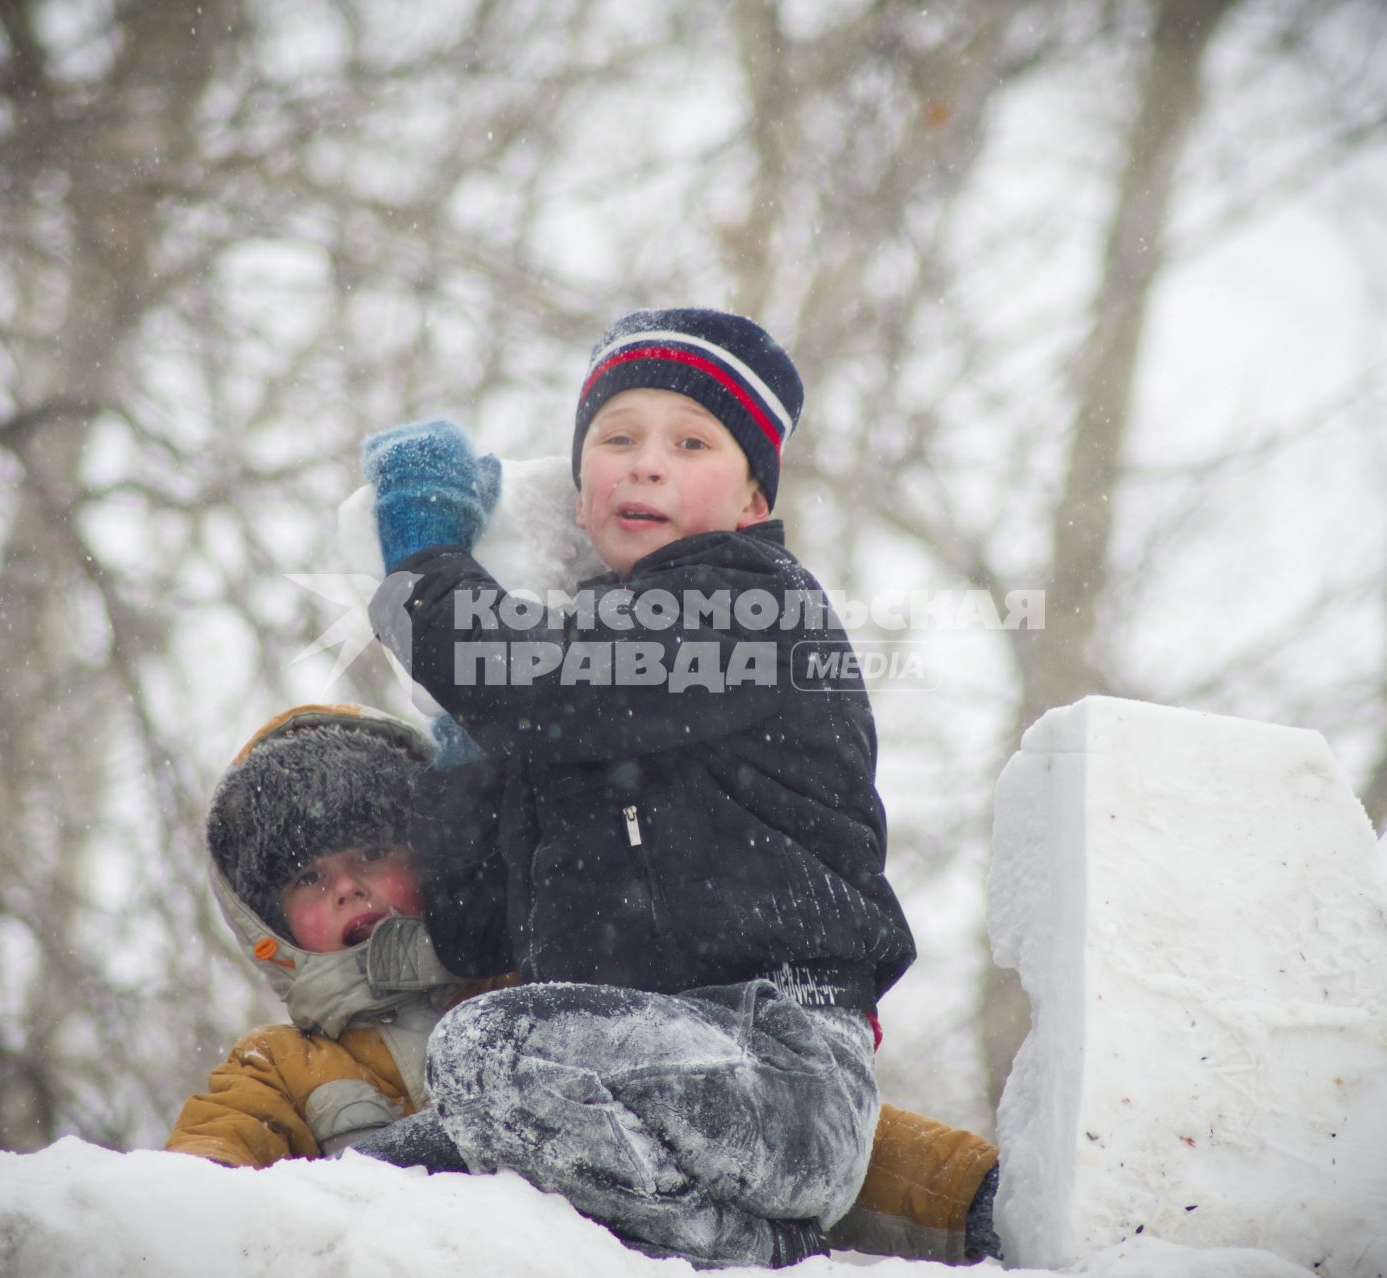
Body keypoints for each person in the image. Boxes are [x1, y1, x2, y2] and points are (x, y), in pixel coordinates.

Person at [358, 307, 919, 1266]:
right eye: (616, 440)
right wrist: (465, 760)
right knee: (373, 1182)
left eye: (691, 442)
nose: (646, 462)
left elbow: (531, 680)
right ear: (580, 497)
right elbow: (477, 929)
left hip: (779, 1062)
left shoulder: (752, 604)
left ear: (752, 501)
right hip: (628, 1074)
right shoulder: (583, 695)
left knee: (486, 1050)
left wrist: (426, 562)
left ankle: (747, 1254)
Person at [165, 703, 1001, 1264]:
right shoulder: (281, 1068)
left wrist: (969, 1195)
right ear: (267, 922)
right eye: (310, 879)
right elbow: (181, 1213)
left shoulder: (557, 991)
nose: (347, 889)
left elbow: (752, 1118)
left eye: (370, 855)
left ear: (437, 853)